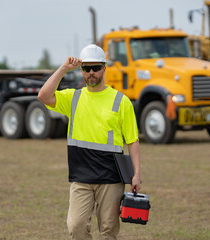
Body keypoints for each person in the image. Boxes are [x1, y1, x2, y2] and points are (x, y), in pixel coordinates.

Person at [38, 44, 141, 240]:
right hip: (81, 177)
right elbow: (43, 95)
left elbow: (133, 141)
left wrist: (136, 175)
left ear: (104, 68)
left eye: (95, 68)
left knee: (108, 231)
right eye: (86, 68)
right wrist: (63, 68)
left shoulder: (121, 101)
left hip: (111, 178)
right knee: (76, 226)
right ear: (81, 70)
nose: (91, 73)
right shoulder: (73, 98)